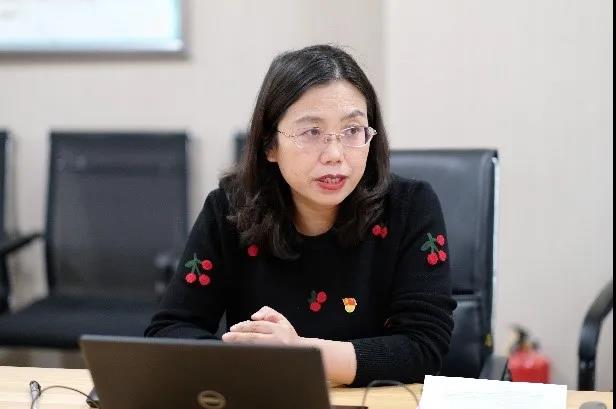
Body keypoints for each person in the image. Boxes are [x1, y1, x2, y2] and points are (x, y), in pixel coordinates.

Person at [145, 44, 456, 387]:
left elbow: (424, 348)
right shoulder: (229, 211)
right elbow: (169, 332)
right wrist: (250, 359)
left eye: (353, 131)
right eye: (312, 132)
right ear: (270, 145)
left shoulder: (410, 207)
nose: (335, 154)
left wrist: (298, 354)